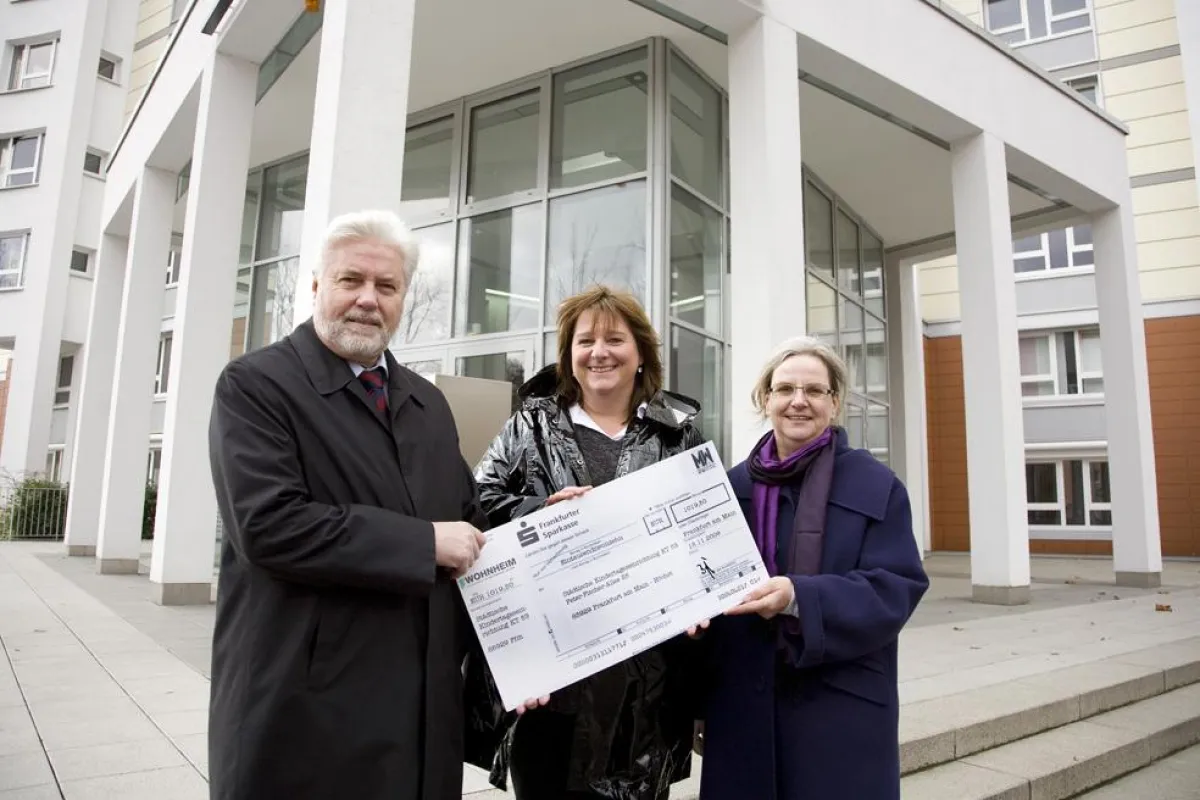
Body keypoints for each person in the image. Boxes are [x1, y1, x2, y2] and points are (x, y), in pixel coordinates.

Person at [207, 210, 496, 800]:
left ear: (403, 297)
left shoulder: (426, 403)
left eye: (386, 286)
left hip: (417, 718)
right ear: (317, 286)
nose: (368, 299)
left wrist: (555, 520)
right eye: (350, 280)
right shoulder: (255, 387)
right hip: (309, 716)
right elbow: (269, 525)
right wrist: (423, 544)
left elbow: (469, 519)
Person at [466, 285, 704, 800]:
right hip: (552, 679)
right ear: (569, 357)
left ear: (641, 354)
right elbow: (477, 502)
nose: (599, 352)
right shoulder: (529, 426)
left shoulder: (677, 438)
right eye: (585, 340)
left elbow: (703, 534)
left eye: (615, 339)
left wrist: (702, 595)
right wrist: (538, 513)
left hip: (645, 679)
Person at [696, 336, 929, 800]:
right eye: (784, 389)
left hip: (839, 712)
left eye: (814, 391)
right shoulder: (727, 488)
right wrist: (699, 703)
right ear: (765, 399)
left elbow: (895, 587)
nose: (798, 401)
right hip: (745, 709)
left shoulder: (875, 484)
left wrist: (799, 597)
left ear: (834, 402)